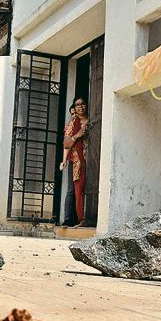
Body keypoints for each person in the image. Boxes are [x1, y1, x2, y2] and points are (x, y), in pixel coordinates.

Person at [63, 97, 89, 227]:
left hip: (93, 160)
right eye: (77, 105)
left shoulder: (93, 120)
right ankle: (81, 219)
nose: (80, 106)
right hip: (78, 163)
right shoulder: (73, 124)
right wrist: (77, 135)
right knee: (78, 191)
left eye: (82, 103)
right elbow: (66, 143)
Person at [59, 106, 78, 226]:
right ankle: (67, 218)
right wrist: (64, 160)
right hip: (73, 160)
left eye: (75, 112)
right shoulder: (70, 126)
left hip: (86, 160)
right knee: (71, 190)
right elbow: (66, 145)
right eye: (72, 114)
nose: (74, 115)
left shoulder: (85, 123)